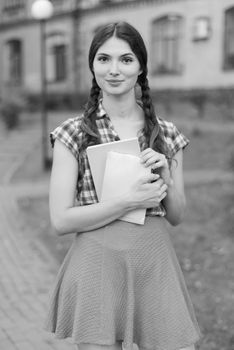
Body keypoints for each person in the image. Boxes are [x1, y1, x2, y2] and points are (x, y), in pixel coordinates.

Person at [45, 22, 201, 350]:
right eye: (104, 59)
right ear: (92, 65)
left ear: (141, 66)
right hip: (97, 263)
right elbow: (61, 221)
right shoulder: (72, 133)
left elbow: (177, 215)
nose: (114, 70)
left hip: (154, 260)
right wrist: (128, 201)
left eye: (126, 60)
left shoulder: (167, 134)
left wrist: (166, 178)